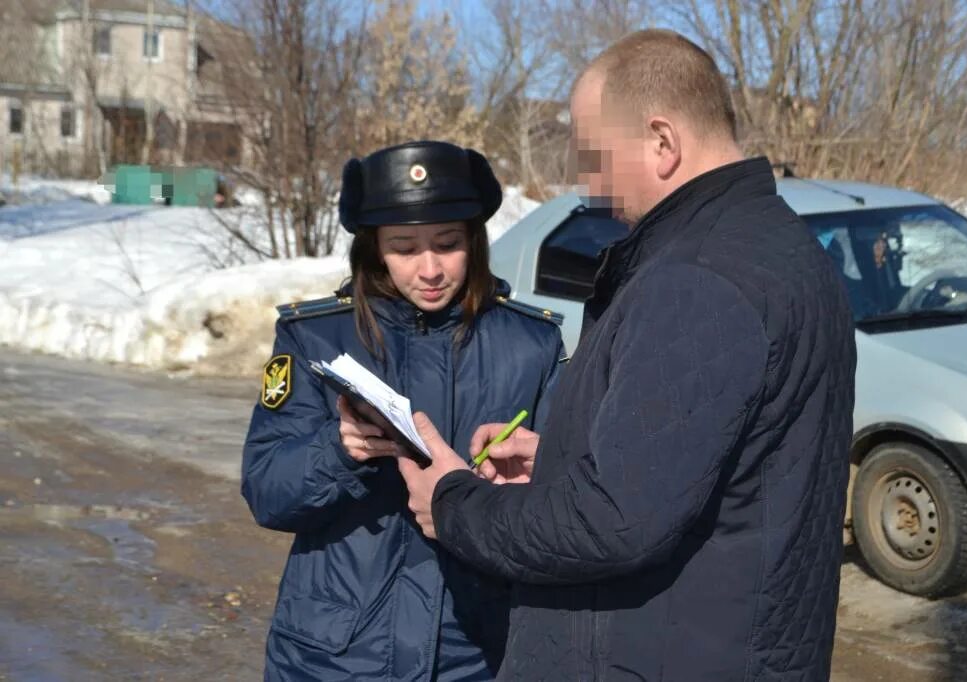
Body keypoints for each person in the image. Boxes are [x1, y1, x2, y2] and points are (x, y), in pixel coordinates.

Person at [397, 30, 857, 680]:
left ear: (662, 142)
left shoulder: (698, 279)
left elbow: (611, 522)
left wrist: (453, 504)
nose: (588, 183)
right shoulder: (782, 249)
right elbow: (712, 465)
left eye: (595, 157)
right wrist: (561, 459)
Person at [241, 140, 565, 681]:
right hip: (333, 658)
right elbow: (267, 492)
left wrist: (521, 486)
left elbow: (563, 509)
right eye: (405, 247)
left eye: (448, 243)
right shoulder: (313, 337)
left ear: (475, 241)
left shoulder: (532, 344)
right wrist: (337, 450)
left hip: (475, 654)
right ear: (373, 249)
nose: (431, 268)